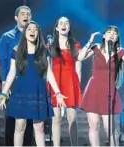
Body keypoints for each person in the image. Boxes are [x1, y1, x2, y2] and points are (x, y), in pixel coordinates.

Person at [0, 21, 67, 146]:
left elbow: (49, 73)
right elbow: (12, 73)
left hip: (38, 91)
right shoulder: (16, 51)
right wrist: (4, 93)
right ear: (25, 33)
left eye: (35, 30)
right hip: (21, 91)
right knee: (20, 126)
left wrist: (58, 92)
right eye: (29, 29)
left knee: (39, 127)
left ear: (38, 33)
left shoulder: (44, 51)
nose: (32, 31)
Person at [79, 25, 124, 146]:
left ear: (117, 38)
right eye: (109, 32)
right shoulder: (96, 48)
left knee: (109, 129)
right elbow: (80, 57)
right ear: (104, 36)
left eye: (115, 33)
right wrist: (90, 40)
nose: (112, 34)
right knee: (94, 125)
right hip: (93, 90)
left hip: (109, 91)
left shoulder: (120, 51)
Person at [0, 5, 33, 146]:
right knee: (12, 119)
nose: (26, 16)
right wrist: (5, 83)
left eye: (28, 14)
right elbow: (3, 61)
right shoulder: (7, 37)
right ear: (16, 18)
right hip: (13, 83)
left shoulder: (34, 37)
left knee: (30, 120)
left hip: (30, 83)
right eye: (23, 14)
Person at [46, 16, 82, 146]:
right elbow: (48, 67)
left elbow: (78, 67)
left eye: (66, 22)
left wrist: (77, 86)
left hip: (71, 82)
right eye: (60, 23)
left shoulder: (76, 45)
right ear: (56, 27)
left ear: (69, 27)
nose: (63, 25)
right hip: (55, 82)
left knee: (72, 118)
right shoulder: (50, 45)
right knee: (56, 118)